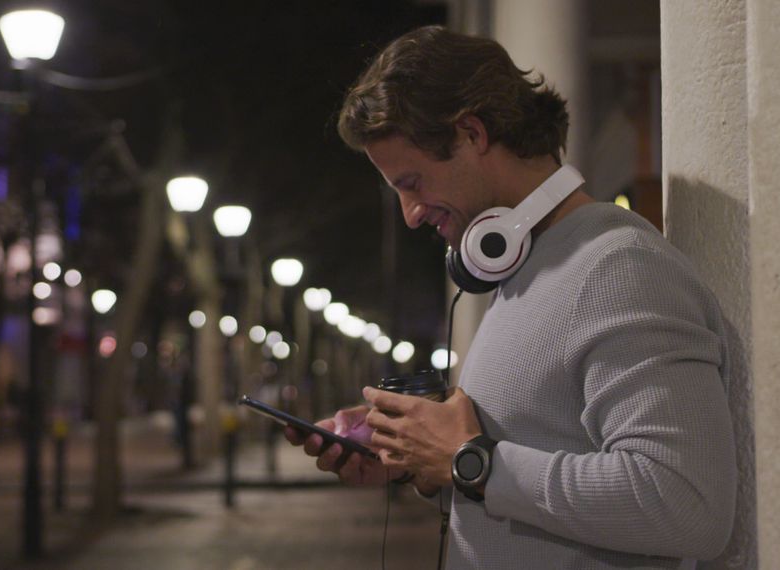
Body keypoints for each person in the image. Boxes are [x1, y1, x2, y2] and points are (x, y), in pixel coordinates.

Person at [285, 25, 737, 569]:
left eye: (412, 183)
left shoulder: (616, 267)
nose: (411, 214)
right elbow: (528, 493)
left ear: (472, 134)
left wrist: (470, 460)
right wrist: (420, 462)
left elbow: (687, 505)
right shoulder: (525, 270)